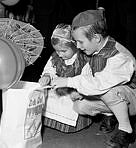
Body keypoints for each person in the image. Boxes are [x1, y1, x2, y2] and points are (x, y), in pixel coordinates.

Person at [51, 8, 136, 148]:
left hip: (132, 96)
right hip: (116, 94)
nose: (77, 46)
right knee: (80, 106)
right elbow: (88, 75)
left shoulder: (118, 55)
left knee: (108, 91)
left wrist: (69, 81)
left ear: (96, 38)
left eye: (80, 42)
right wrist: (79, 91)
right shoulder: (95, 49)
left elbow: (101, 83)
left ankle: (127, 130)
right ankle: (112, 116)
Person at [39, 23, 92, 133]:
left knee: (71, 103)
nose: (59, 54)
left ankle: (71, 124)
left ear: (75, 46)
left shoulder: (82, 59)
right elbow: (50, 69)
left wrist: (79, 92)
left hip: (76, 89)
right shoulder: (55, 57)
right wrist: (47, 76)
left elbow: (87, 80)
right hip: (59, 87)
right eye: (57, 50)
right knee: (45, 97)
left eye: (63, 51)